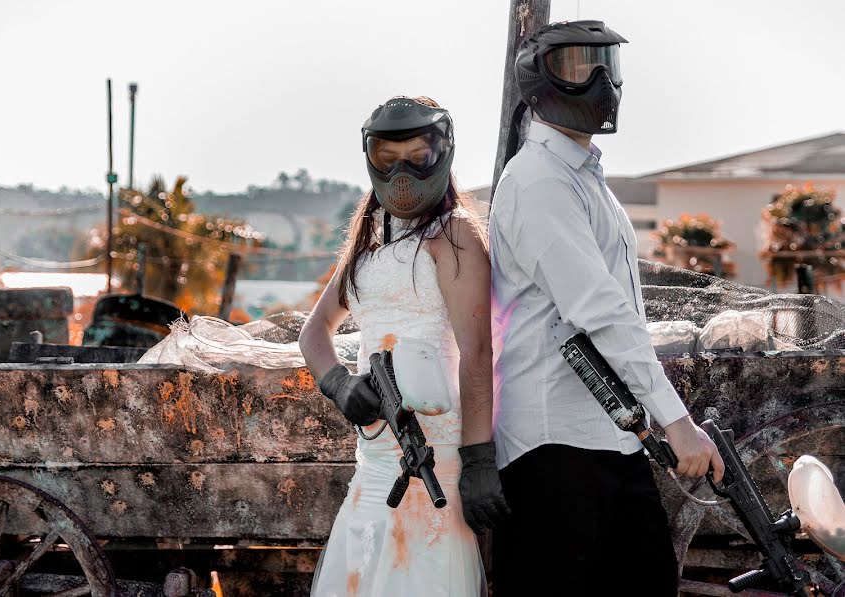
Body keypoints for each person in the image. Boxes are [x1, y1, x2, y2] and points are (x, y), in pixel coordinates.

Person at [488, 21, 726, 596]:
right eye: (577, 66)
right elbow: (603, 313)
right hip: (552, 443)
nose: (599, 81)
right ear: (538, 82)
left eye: (605, 64)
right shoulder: (540, 181)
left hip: (613, 434)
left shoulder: (586, 177)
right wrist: (678, 422)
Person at [299, 96, 509, 597]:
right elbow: (314, 332)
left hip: (438, 456)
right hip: (373, 461)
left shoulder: (454, 236)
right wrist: (339, 385)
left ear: (444, 153)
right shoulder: (369, 237)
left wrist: (479, 461)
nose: (403, 174)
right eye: (387, 158)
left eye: (418, 156)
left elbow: (477, 354)